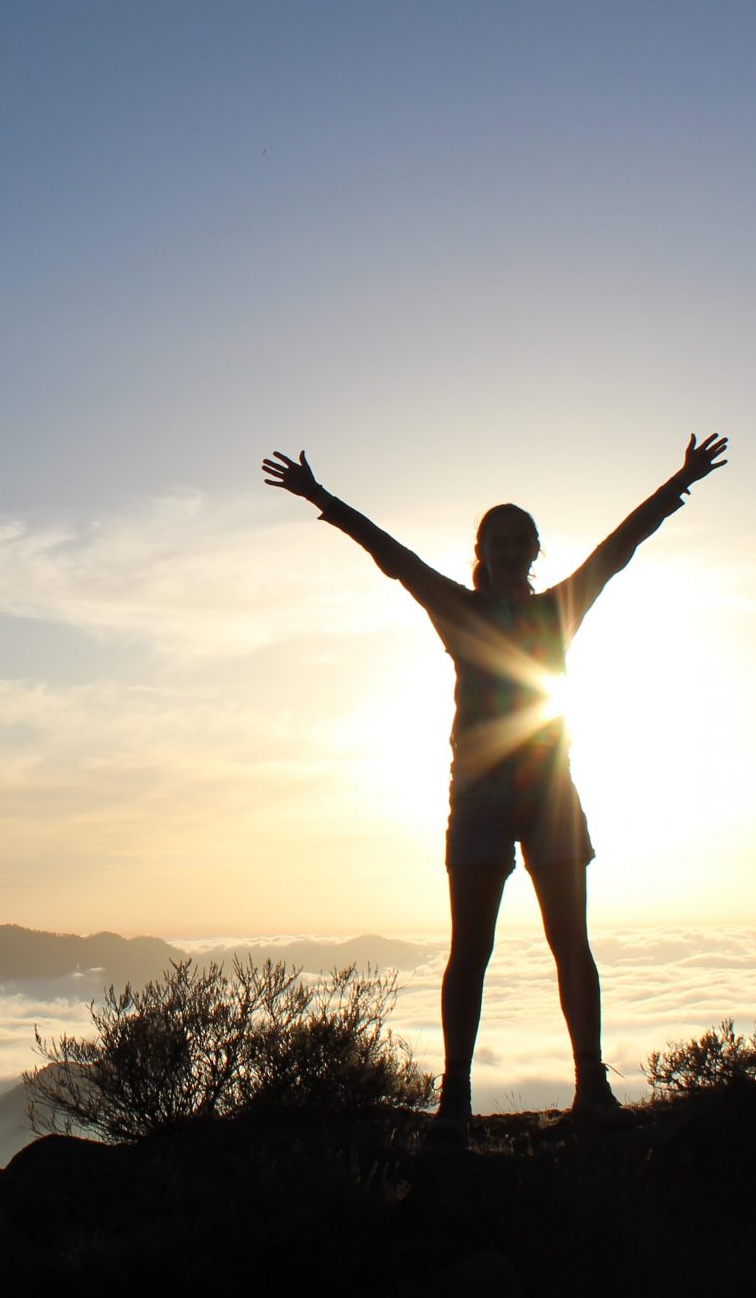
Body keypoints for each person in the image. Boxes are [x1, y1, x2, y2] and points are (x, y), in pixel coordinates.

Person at [261, 433, 729, 1136]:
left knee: (572, 942)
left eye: (520, 541)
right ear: (482, 552)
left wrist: (678, 482)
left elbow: (619, 546)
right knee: (471, 950)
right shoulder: (462, 609)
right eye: (498, 541)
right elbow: (393, 557)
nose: (510, 551)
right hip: (481, 797)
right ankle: (455, 1096)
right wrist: (321, 497)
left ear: (534, 550)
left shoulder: (557, 610)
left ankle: (591, 1087)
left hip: (550, 795)